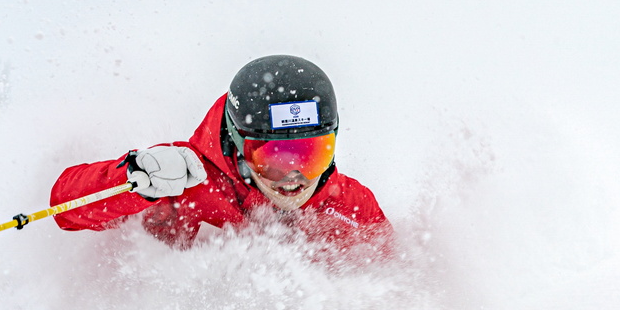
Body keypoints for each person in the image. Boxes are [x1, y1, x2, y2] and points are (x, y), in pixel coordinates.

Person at [50, 55, 389, 252]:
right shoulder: (182, 183)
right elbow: (65, 208)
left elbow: (396, 276)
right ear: (240, 145)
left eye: (311, 154)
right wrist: (131, 179)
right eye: (272, 159)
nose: (293, 177)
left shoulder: (351, 206)